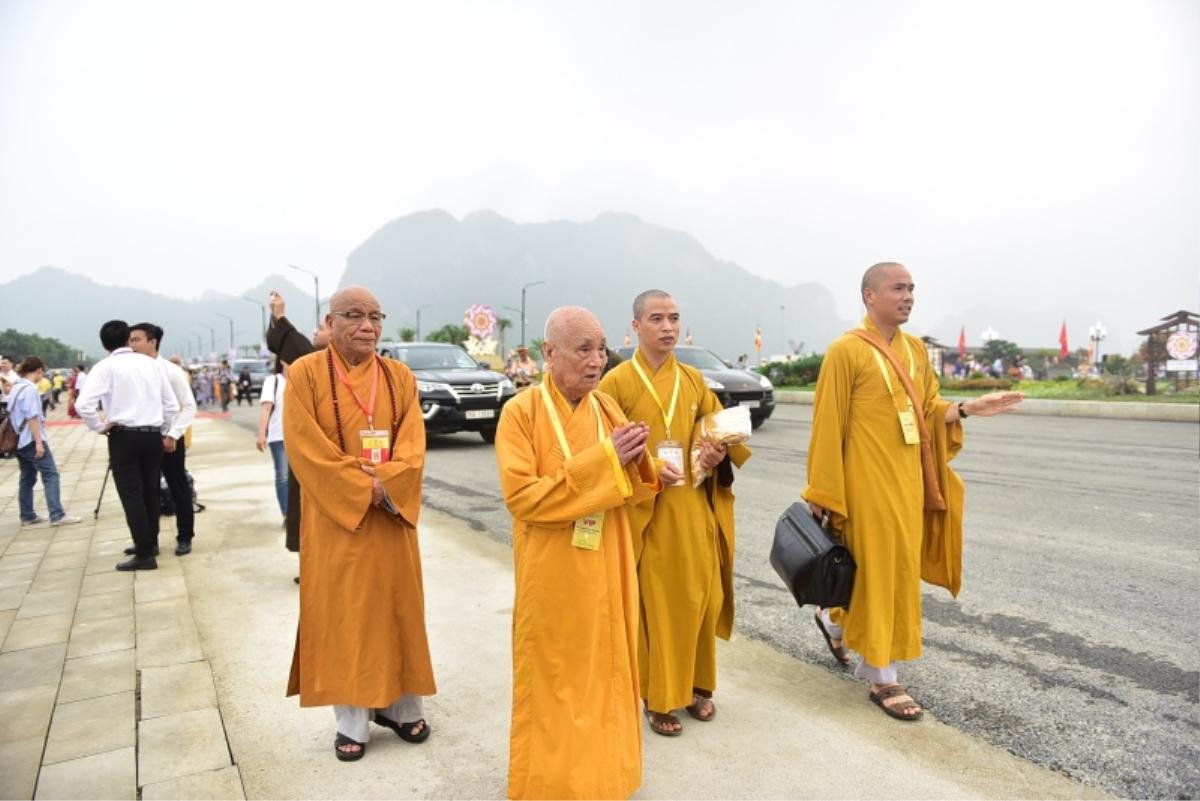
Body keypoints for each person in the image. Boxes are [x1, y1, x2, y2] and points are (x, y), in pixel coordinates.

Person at [804, 262, 1024, 721]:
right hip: (863, 486)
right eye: (898, 288)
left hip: (906, 482)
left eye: (912, 289)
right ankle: (883, 676)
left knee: (893, 572)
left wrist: (965, 408)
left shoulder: (914, 350)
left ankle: (833, 619)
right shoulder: (845, 352)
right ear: (869, 295)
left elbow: (926, 410)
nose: (908, 296)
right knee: (879, 572)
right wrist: (823, 492)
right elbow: (828, 425)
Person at [495, 306, 665, 800]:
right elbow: (523, 498)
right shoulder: (519, 414)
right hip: (553, 574)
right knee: (555, 676)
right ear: (550, 354)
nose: (597, 361)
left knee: (606, 669)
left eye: (601, 349)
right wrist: (608, 459)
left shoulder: (607, 409)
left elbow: (631, 486)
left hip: (606, 565)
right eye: (583, 349)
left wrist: (646, 468)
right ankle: (552, 784)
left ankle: (607, 778)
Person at [284, 286, 435, 761]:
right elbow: (305, 448)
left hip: (390, 518)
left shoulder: (399, 376)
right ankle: (353, 720)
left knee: (397, 608)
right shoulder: (305, 374)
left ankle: (400, 706)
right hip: (337, 522)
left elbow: (413, 443)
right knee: (345, 615)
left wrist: (386, 485)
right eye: (353, 316)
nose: (367, 326)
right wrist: (360, 487)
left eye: (375, 316)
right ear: (330, 322)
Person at [599, 289, 751, 737]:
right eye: (657, 318)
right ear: (636, 327)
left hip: (694, 506)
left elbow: (724, 431)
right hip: (649, 511)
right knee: (660, 604)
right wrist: (643, 470)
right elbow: (603, 449)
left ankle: (701, 683)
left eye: (674, 318)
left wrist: (715, 452)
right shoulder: (616, 383)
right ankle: (661, 695)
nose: (668, 327)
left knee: (702, 597)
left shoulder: (693, 380)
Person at [76, 320, 179, 571]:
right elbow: (172, 406)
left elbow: (83, 405)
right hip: (152, 436)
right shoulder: (151, 365)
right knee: (150, 491)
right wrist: (164, 430)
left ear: (104, 344)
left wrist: (100, 426)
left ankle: (144, 553)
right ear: (127, 340)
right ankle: (149, 542)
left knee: (131, 493)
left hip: (124, 437)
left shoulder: (105, 367)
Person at [265, 290, 329, 561]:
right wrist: (278, 316)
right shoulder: (314, 361)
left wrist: (280, 315)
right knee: (306, 513)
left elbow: (294, 343)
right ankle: (313, 567)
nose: (316, 330)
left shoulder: (325, 361)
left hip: (329, 455)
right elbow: (289, 343)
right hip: (308, 451)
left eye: (323, 327)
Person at [129, 323, 199, 557]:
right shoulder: (130, 370)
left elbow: (189, 406)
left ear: (153, 342)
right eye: (130, 340)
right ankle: (148, 541)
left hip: (168, 440)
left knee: (178, 488)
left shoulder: (170, 370)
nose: (132, 344)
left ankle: (185, 537)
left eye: (137, 339)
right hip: (141, 438)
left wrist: (172, 434)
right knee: (146, 491)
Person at [9, 357, 83, 528]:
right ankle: (57, 515)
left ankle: (27, 515)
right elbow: (32, 417)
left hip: (19, 440)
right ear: (39, 371)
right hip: (31, 439)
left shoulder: (16, 387)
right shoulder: (29, 390)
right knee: (51, 474)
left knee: (27, 476)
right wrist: (39, 442)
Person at [256, 360, 289, 520]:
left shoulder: (305, 378)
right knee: (283, 476)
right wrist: (261, 433)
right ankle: (286, 515)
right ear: (282, 360)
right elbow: (266, 407)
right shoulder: (273, 381)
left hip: (301, 437)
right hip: (278, 436)